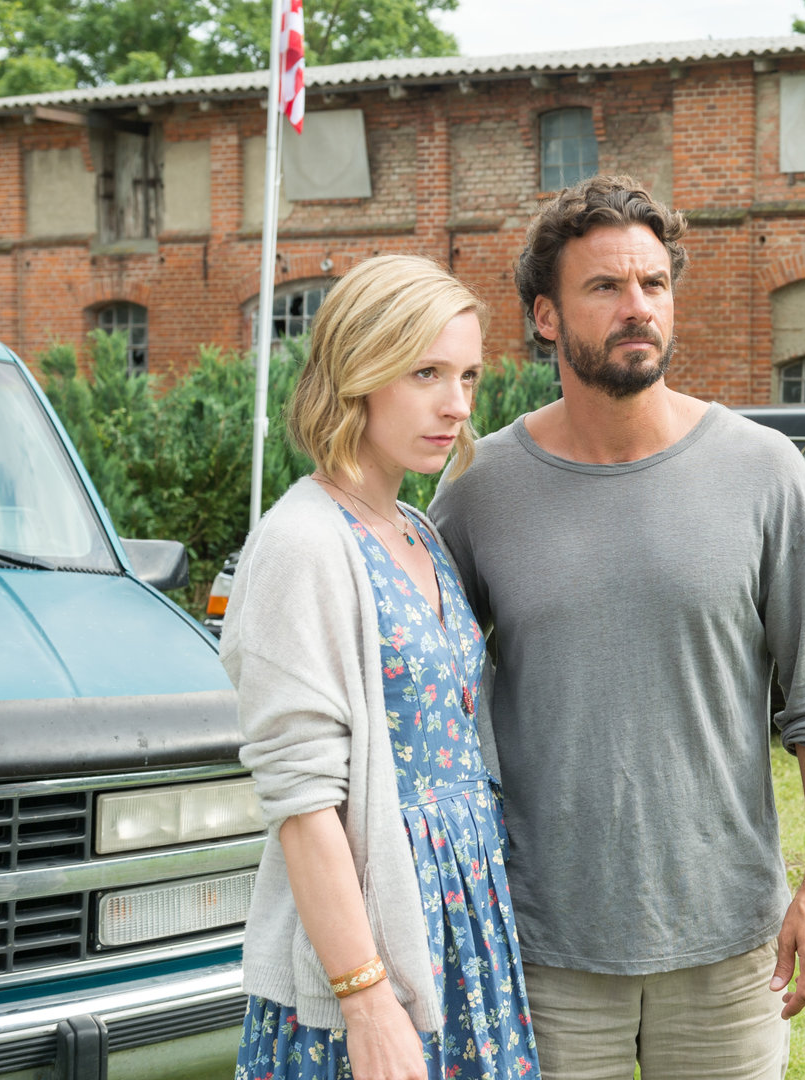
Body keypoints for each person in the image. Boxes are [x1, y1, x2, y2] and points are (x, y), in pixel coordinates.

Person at [428, 175, 805, 1080]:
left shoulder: (764, 472)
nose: (638, 308)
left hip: (726, 943)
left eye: (654, 285)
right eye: (606, 288)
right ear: (546, 317)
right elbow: (424, 693)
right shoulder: (480, 489)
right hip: (544, 940)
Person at [221, 255, 538, 1080]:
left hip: (462, 918)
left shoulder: (416, 527)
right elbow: (302, 802)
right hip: (371, 934)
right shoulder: (303, 543)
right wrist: (365, 999)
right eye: (424, 372)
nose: (457, 404)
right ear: (358, 371)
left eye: (466, 375)